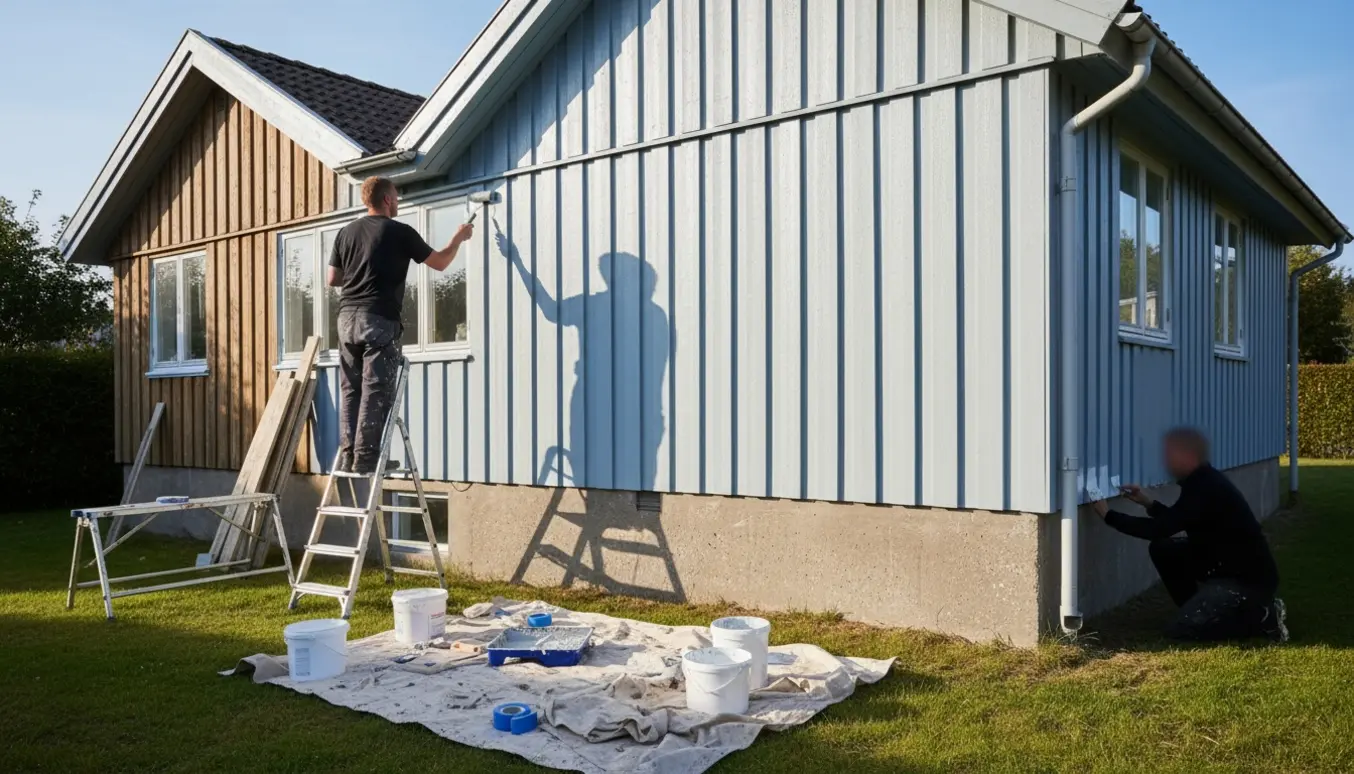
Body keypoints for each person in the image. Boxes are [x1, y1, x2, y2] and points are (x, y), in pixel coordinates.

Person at [327, 176, 474, 474]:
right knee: (375, 388)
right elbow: (441, 263)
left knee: (351, 387)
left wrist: (359, 272)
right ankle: (367, 459)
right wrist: (458, 238)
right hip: (378, 319)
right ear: (386, 200)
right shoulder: (399, 233)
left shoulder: (345, 233)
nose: (398, 202)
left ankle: (349, 455)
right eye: (395, 197)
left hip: (346, 320)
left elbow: (333, 279)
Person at [1093, 427, 1287, 643]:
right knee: (1164, 548)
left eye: (1170, 455)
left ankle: (1262, 617)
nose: (1166, 461)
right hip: (1220, 564)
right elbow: (1179, 519)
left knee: (1182, 630)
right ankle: (1196, 609)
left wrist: (1107, 515)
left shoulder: (1206, 487)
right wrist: (1147, 502)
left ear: (1189, 456)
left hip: (1244, 579)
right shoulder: (1201, 481)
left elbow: (1159, 528)